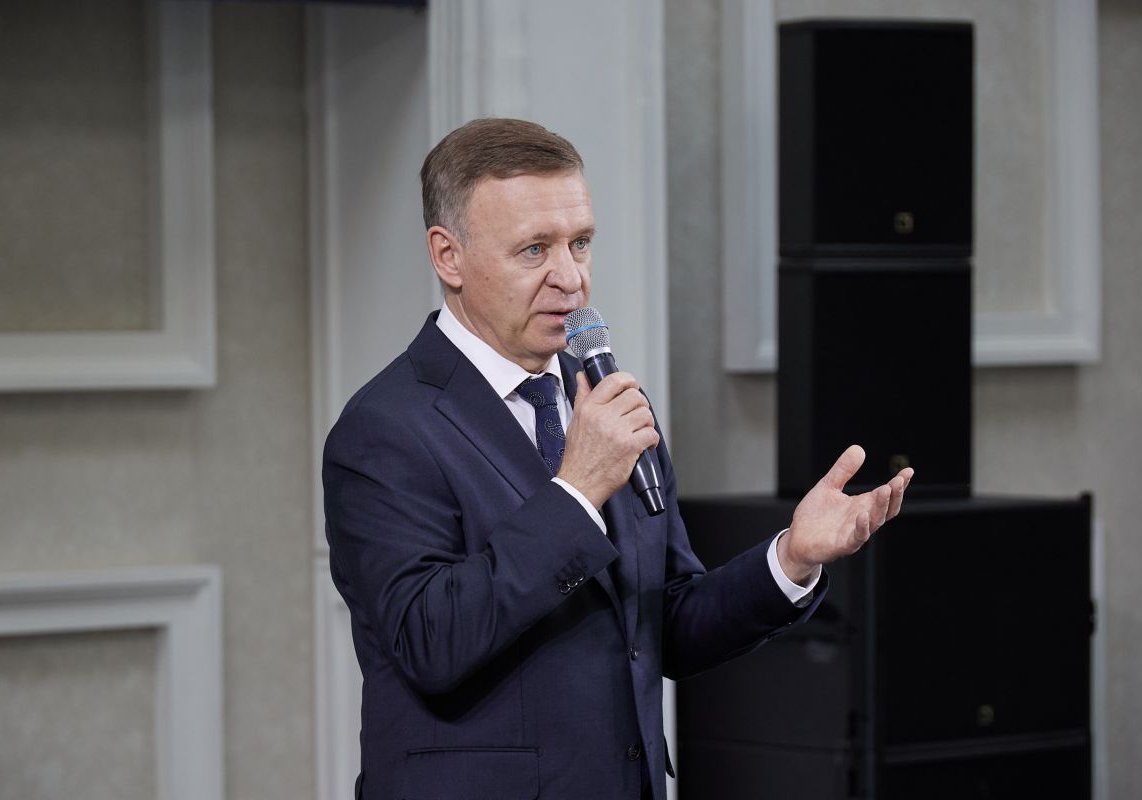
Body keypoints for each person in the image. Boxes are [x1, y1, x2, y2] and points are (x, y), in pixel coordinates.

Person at [323, 117, 913, 800]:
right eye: (534, 250)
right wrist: (576, 493)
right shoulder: (384, 428)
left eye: (580, 243)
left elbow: (668, 625)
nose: (571, 279)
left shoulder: (605, 401)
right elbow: (432, 641)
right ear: (448, 256)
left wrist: (791, 559)